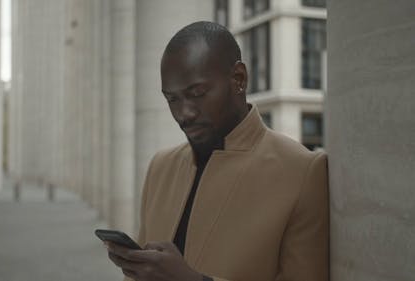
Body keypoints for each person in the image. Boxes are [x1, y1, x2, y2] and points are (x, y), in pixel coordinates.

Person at [105, 21, 329, 281]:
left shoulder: (302, 172)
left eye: (197, 93)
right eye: (172, 99)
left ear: (239, 79)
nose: (183, 114)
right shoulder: (160, 166)